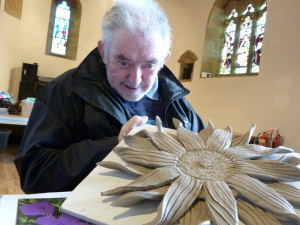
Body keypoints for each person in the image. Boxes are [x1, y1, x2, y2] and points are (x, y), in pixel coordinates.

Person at [14, 0, 205, 194]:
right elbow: (34, 175)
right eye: (123, 62)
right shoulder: (64, 91)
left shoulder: (179, 104)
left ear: (164, 59)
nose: (135, 79)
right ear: (103, 51)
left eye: (149, 65)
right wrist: (115, 146)